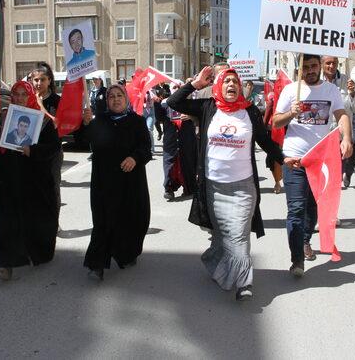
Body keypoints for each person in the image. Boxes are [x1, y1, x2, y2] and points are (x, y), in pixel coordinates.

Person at [167, 67, 289, 301]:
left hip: (243, 187)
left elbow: (265, 140)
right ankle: (215, 261)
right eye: (227, 81)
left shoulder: (250, 111)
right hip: (213, 187)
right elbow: (174, 102)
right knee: (222, 235)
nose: (232, 84)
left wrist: (284, 159)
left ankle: (244, 282)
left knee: (239, 235)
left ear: (241, 86)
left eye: (235, 81)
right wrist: (195, 84)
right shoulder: (207, 107)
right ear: (219, 85)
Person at [273, 54, 352, 274]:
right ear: (300, 69)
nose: (310, 70)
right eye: (305, 66)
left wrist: (346, 138)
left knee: (314, 207)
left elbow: (342, 115)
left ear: (319, 67)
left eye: (313, 66)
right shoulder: (290, 90)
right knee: (296, 210)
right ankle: (297, 258)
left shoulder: (331, 90)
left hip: (321, 159)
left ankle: (306, 239)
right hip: (294, 159)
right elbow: (274, 122)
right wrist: (292, 113)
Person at [0, 81, 62, 281]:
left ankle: (38, 253)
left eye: (22, 95)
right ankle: (7, 263)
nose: (18, 98)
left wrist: (31, 150)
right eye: (15, 94)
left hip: (35, 179)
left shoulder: (42, 120)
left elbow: (53, 148)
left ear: (30, 96)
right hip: (9, 178)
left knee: (36, 218)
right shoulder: (3, 117)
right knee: (6, 221)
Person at [81, 85, 152, 280]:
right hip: (104, 181)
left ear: (126, 99)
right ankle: (97, 265)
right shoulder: (100, 120)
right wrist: (86, 124)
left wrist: (135, 158)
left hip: (130, 182)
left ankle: (126, 253)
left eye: (119, 95)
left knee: (131, 219)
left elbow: (146, 148)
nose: (115, 99)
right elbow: (85, 142)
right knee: (103, 221)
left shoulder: (137, 122)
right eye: (111, 96)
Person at [29, 62, 63, 212]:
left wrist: (40, 105)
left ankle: (54, 219)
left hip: (52, 152)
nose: (39, 83)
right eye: (35, 80)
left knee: (53, 186)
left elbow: (56, 124)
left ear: (49, 80)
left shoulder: (57, 100)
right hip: (31, 150)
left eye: (42, 79)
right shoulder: (27, 98)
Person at [161, 82, 197, 200]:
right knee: (169, 163)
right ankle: (169, 189)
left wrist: (191, 116)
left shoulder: (191, 103)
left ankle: (189, 188)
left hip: (186, 138)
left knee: (187, 162)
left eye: (179, 87)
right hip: (170, 139)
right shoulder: (164, 103)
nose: (177, 89)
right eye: (174, 87)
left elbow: (201, 117)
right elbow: (159, 118)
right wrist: (156, 104)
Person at [262, 89, 282, 194]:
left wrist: (262, 128)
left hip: (274, 132)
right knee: (277, 157)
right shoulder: (287, 96)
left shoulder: (272, 96)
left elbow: (267, 113)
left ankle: (277, 182)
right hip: (284, 131)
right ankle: (278, 182)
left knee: (274, 158)